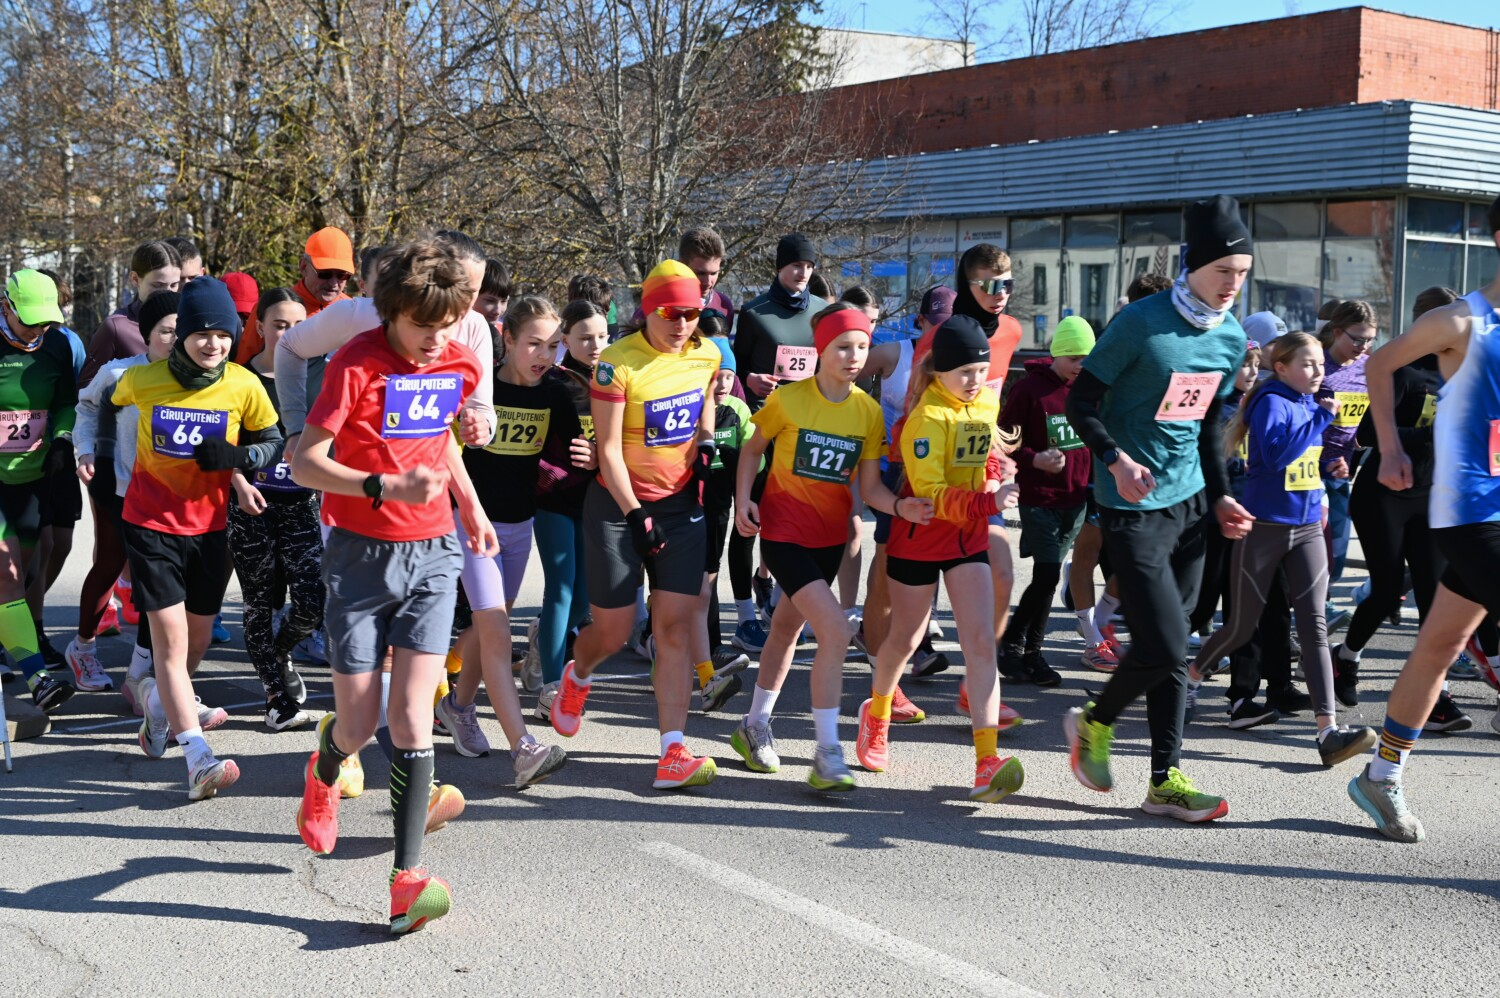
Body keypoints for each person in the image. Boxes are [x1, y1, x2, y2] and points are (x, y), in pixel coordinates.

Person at [291, 237, 496, 932]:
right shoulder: (355, 362)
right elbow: (306, 463)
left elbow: (440, 443)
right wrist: (381, 485)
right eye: (422, 326)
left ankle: (407, 881)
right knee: (358, 724)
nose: (437, 340)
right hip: (359, 554)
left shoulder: (460, 361)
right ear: (391, 313)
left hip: (434, 553)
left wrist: (471, 506)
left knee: (411, 716)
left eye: (449, 325)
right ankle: (324, 770)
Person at [1062, 194, 1255, 823]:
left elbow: (1207, 427)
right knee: (1168, 645)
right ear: (1194, 264)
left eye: (1243, 273)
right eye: (1223, 270)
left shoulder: (1230, 338)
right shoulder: (1140, 324)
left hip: (1191, 504)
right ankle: (1095, 721)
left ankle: (1165, 780)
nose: (1232, 284)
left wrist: (1220, 494)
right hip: (1130, 503)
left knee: (1173, 641)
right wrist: (1116, 460)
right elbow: (1081, 403)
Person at [1345, 196, 1500, 842]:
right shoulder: (1462, 321)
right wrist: (1389, 447)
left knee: (1438, 645)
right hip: (1469, 512)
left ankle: (1381, 775)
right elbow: (1380, 364)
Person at [547, 260, 722, 789]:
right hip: (616, 505)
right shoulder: (617, 364)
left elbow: (706, 399)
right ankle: (578, 674)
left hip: (680, 506)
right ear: (648, 311)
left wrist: (706, 439)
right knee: (615, 630)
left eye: (692, 313)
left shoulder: (708, 353)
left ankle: (672, 751)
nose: (682, 323)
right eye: (671, 313)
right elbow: (607, 451)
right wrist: (636, 513)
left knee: (673, 627)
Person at [732, 303, 918, 790]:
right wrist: (743, 500)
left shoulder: (868, 413)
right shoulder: (789, 400)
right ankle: (827, 753)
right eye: (843, 347)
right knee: (835, 630)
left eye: (861, 347)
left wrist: (902, 507)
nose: (854, 356)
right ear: (820, 349)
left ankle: (753, 724)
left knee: (786, 630)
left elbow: (871, 489)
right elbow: (752, 449)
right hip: (783, 535)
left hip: (829, 542)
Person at [114, 276, 283, 799]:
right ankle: (197, 757)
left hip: (210, 527)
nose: (213, 344)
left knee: (198, 639)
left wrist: (237, 459)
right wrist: (77, 443)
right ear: (182, 334)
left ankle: (160, 706)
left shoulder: (243, 385)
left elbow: (273, 441)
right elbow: (99, 397)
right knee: (170, 640)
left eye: (224, 334)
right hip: (150, 524)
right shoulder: (142, 380)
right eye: (202, 333)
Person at [1183, 333, 1376, 764]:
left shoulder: (1311, 404)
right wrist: (1321, 420)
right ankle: (1191, 677)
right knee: (1241, 626)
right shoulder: (1272, 401)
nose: (1318, 372)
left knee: (1314, 627)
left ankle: (1328, 730)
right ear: (1283, 367)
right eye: (1308, 364)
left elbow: (1303, 459)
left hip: (1306, 529)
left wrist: (1330, 465)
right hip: (1264, 529)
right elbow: (1273, 456)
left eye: (1320, 364)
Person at [857, 314, 1023, 802]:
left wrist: (993, 475)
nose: (976, 381)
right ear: (939, 371)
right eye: (966, 372)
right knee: (905, 640)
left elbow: (984, 452)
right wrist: (990, 503)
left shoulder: (985, 401)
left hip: (967, 539)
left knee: (981, 643)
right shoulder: (924, 420)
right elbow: (930, 494)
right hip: (921, 536)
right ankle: (878, 713)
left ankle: (987, 760)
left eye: (982, 371)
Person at [435, 295, 577, 787]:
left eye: (553, 345)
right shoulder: (480, 385)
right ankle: (523, 747)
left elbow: (573, 449)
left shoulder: (555, 392)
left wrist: (586, 456)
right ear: (507, 339)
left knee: (484, 630)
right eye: (534, 343)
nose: (544, 355)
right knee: (497, 631)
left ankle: (457, 707)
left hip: (519, 527)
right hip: (470, 523)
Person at [1335, 287, 1466, 728]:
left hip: (1431, 496)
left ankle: (1439, 698)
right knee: (1387, 590)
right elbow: (1367, 434)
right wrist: (1431, 436)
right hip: (1383, 498)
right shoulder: (1400, 368)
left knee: (1435, 597)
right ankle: (1346, 657)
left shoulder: (1458, 371)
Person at [274, 229, 496, 456]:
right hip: (355, 468)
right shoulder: (359, 318)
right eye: (454, 286)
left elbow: (480, 412)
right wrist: (295, 428)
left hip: (430, 469)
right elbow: (289, 347)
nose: (461, 302)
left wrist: (482, 428)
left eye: (472, 292)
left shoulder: (473, 328)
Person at [224, 288, 326, 730]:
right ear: (260, 328)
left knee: (311, 602)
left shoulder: (322, 373)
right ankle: (275, 696)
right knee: (259, 603)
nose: (290, 333)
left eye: (299, 325)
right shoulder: (239, 377)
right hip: (252, 505)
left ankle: (279, 652)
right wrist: (239, 483)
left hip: (302, 504)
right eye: (280, 325)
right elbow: (223, 443)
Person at [69, 291, 180, 698]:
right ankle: (83, 647)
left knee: (157, 579)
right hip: (118, 486)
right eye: (166, 331)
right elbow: (86, 409)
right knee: (111, 563)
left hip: (168, 495)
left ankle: (142, 672)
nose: (176, 339)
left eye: (182, 330)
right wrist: (85, 450)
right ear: (147, 334)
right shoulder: (118, 373)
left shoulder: (196, 377)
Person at [856, 285, 956, 690]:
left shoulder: (959, 360)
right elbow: (839, 375)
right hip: (894, 473)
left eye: (949, 325)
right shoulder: (893, 354)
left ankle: (919, 644)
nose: (941, 332)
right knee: (886, 565)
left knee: (927, 560)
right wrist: (858, 419)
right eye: (935, 323)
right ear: (920, 321)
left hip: (940, 475)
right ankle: (874, 640)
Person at [998, 316, 1099, 679]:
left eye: (1087, 358)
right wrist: (1035, 458)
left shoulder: (1088, 390)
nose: (1080, 365)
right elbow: (1004, 441)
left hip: (1076, 498)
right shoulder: (1030, 390)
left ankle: (1024, 653)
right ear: (1056, 354)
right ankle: (1020, 649)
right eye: (1073, 358)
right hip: (1039, 499)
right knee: (1046, 576)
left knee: (1048, 579)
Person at [0, 270, 79, 712]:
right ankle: (38, 678)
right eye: (29, 321)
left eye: (45, 321)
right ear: (6, 306)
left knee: (25, 573)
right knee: (7, 574)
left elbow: (65, 401)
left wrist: (63, 438)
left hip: (31, 478)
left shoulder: (58, 345)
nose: (38, 329)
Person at [529, 299, 607, 718]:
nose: (595, 345)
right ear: (566, 340)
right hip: (554, 498)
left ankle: (544, 635)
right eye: (585, 337)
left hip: (596, 502)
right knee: (560, 588)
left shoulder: (613, 379)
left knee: (585, 601)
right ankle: (550, 689)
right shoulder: (554, 382)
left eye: (601, 336)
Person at [1316, 300, 1377, 630]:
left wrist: (1357, 449)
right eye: (1357, 338)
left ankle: (1320, 603)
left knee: (1337, 547)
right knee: (1313, 545)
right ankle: (1316, 607)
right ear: (1337, 331)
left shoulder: (1368, 367)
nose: (1363, 346)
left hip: (1342, 469)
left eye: (1370, 340)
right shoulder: (1316, 363)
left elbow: (1370, 417)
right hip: (1306, 468)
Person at [732, 233, 828, 409]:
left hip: (807, 410)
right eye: (797, 265)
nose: (804, 273)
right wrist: (750, 379)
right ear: (780, 267)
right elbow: (737, 362)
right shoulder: (752, 312)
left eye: (809, 266)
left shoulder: (823, 310)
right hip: (764, 411)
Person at [235, 226, 356, 364]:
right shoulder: (271, 307)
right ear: (303, 266)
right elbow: (242, 368)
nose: (333, 283)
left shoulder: (354, 312)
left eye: (342, 276)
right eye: (325, 274)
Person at [79, 240, 183, 385]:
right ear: (135, 279)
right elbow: (87, 388)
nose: (167, 292)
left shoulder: (189, 321)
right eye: (157, 285)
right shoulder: (115, 327)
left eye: (174, 285)